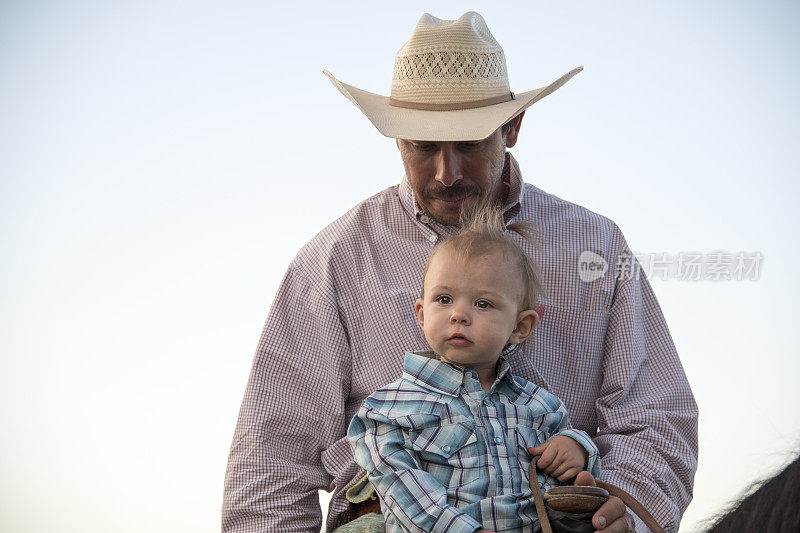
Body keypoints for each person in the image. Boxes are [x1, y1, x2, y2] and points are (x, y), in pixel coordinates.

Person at [222, 11, 698, 533]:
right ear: (396, 138)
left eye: (468, 142)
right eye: (423, 146)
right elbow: (271, 452)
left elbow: (657, 416)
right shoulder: (334, 259)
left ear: (513, 127)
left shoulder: (597, 247)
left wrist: (624, 508)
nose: (446, 173)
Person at [347, 207, 602, 532]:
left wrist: (577, 447)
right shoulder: (389, 406)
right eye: (444, 299)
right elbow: (399, 487)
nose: (459, 315)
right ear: (422, 314)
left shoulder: (540, 406)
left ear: (520, 326)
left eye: (483, 303)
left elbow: (572, 466)